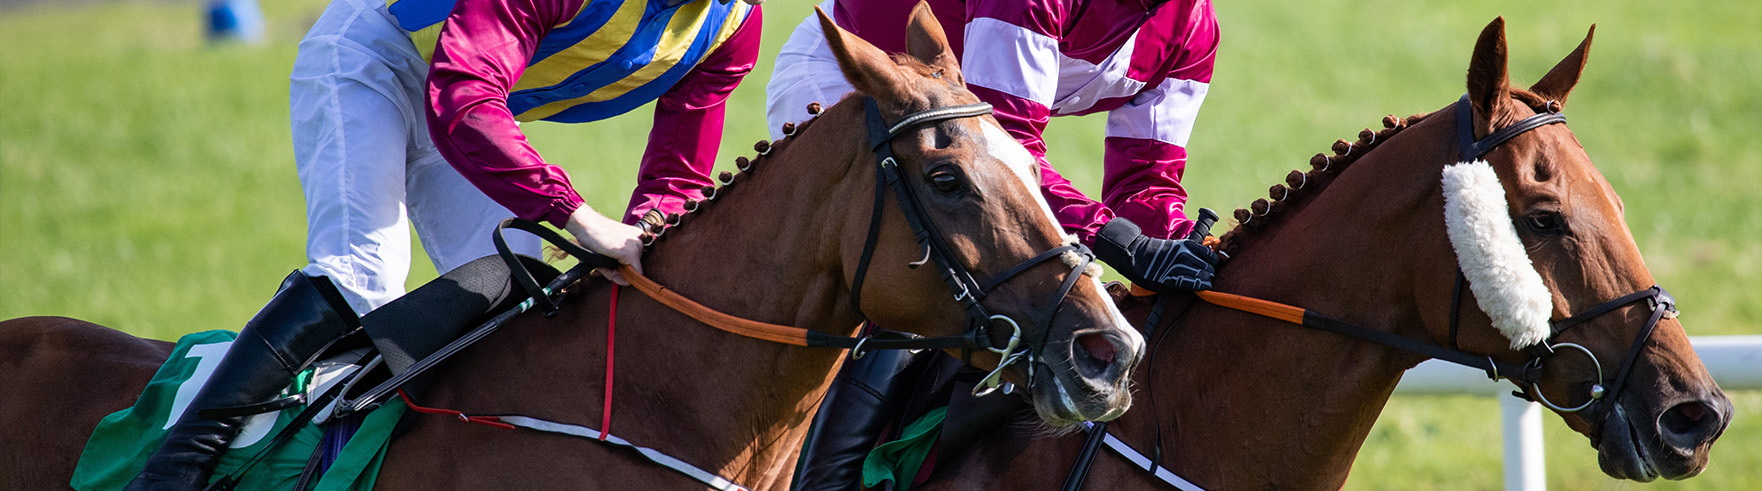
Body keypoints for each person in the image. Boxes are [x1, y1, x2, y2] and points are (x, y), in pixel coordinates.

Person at [125, 0, 763, 487]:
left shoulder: (735, 23)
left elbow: (677, 175)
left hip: (468, 98)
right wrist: (575, 214)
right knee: (362, 273)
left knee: (521, 297)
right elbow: (465, 95)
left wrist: (648, 235)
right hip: (377, 55)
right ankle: (176, 466)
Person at [762, 0, 1219, 488]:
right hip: (856, 81)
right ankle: (825, 479)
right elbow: (1006, 145)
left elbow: (1147, 178)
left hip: (956, 120)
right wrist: (1120, 241)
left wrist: (1180, 248)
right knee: (927, 266)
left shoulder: (1193, 28)